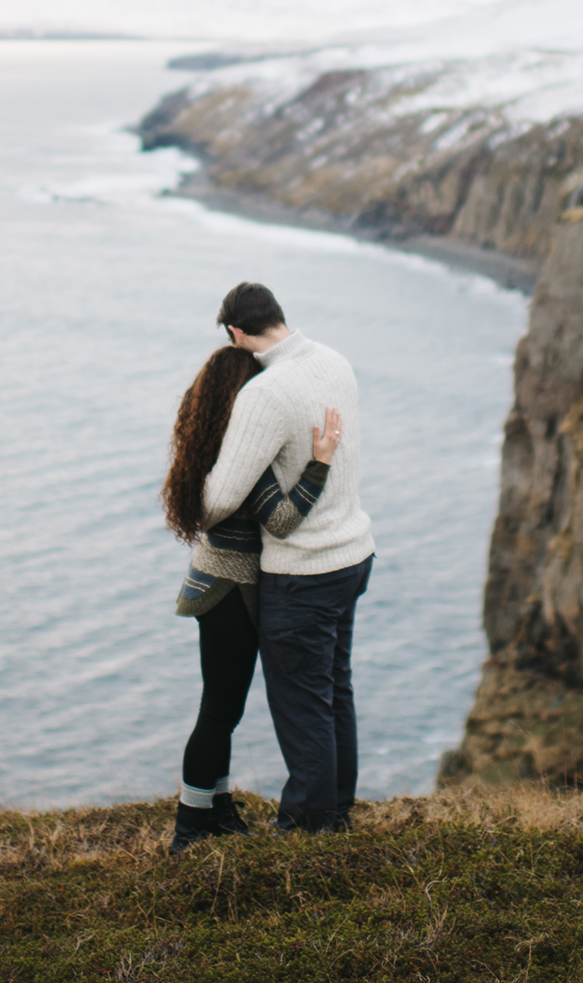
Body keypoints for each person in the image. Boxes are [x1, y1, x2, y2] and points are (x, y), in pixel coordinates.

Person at [198, 282, 374, 835]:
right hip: (352, 554)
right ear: (278, 316)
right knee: (332, 689)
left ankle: (308, 825)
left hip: (305, 571)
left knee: (301, 704)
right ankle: (337, 809)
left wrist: (192, 497)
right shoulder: (334, 361)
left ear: (236, 334)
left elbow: (221, 497)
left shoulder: (265, 393)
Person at [159, 344, 342, 855]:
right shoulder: (246, 459)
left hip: (212, 579)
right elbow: (281, 521)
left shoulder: (205, 441)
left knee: (220, 708)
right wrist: (319, 465)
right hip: (230, 588)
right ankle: (190, 825)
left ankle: (215, 808)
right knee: (219, 713)